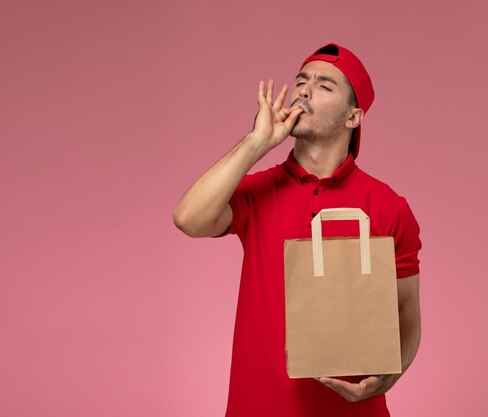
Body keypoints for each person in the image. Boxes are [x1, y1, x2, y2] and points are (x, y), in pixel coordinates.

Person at [173, 43, 422, 417]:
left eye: (325, 86)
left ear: (353, 117)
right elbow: (189, 219)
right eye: (302, 81)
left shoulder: (388, 207)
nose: (304, 90)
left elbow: (406, 312)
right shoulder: (258, 192)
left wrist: (390, 375)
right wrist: (256, 143)